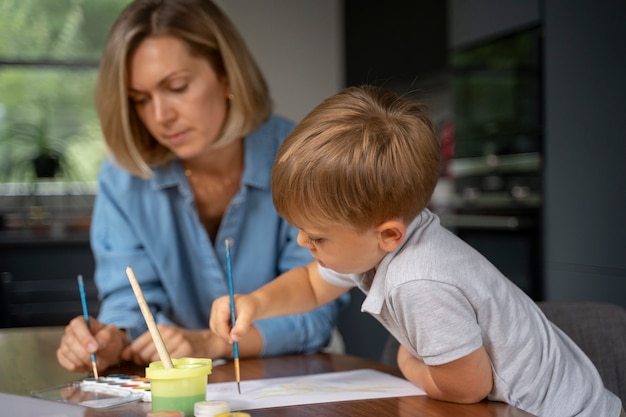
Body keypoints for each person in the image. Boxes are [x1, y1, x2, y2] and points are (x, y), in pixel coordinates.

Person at [210, 85, 624, 417]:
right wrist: (255, 303)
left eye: (316, 237)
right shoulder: (384, 235)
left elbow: (467, 387)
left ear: (388, 235)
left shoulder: (419, 280)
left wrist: (408, 362)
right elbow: (311, 284)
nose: (303, 243)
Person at [56, 0, 348, 374]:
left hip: (286, 382)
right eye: (140, 100)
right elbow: (128, 301)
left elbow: (314, 311)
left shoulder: (303, 159)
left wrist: (209, 343)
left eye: (176, 87)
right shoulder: (124, 178)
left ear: (226, 74)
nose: (160, 117)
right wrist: (114, 337)